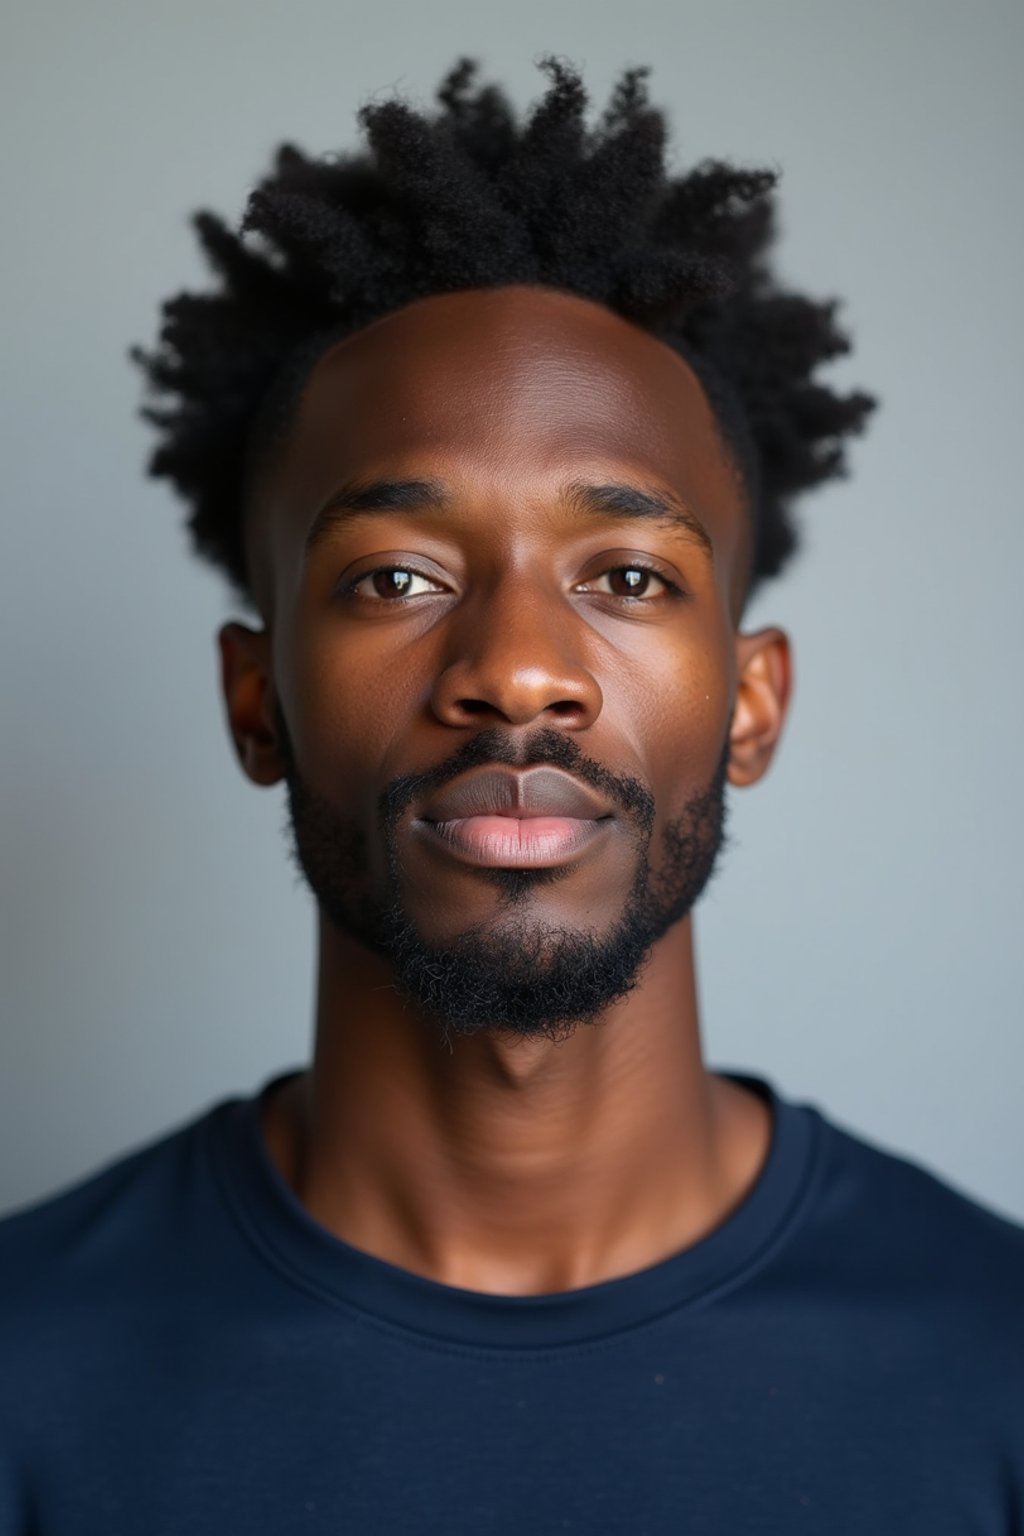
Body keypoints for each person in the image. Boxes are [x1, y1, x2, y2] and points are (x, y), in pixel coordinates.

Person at [1, 57, 1021, 1536]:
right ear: (255, 700)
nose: (518, 672)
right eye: (395, 578)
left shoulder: (993, 1372)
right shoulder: (29, 1382)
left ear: (751, 701)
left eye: (627, 577)